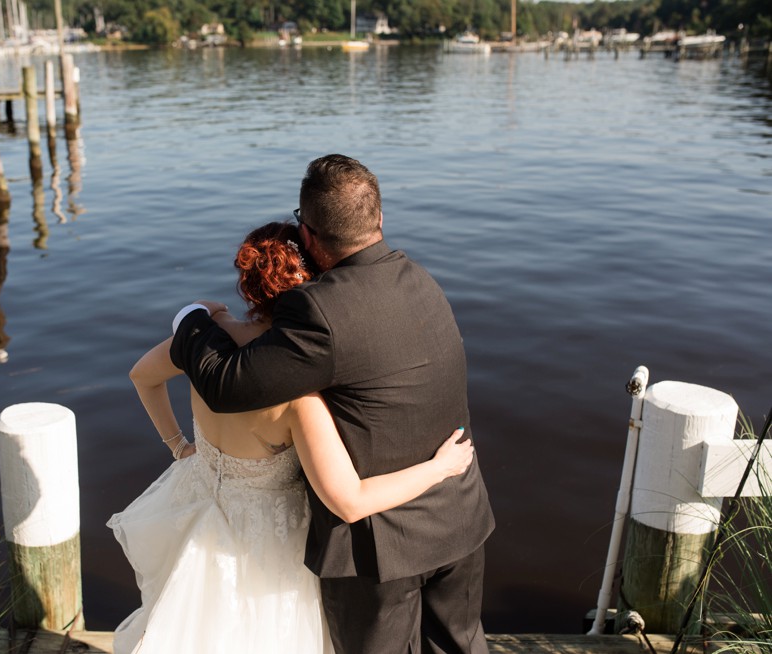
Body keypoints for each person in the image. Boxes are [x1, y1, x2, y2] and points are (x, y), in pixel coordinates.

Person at [170, 155, 495, 654]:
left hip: (380, 546)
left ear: (310, 237)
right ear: (379, 219)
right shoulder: (421, 279)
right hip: (460, 514)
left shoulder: (319, 309)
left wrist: (192, 321)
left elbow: (226, 385)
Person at [108, 221, 475, 654]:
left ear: (248, 282)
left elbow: (141, 377)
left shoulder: (205, 342)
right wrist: (438, 469)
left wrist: (177, 445)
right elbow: (350, 500)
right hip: (270, 539)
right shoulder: (298, 396)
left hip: (198, 506)